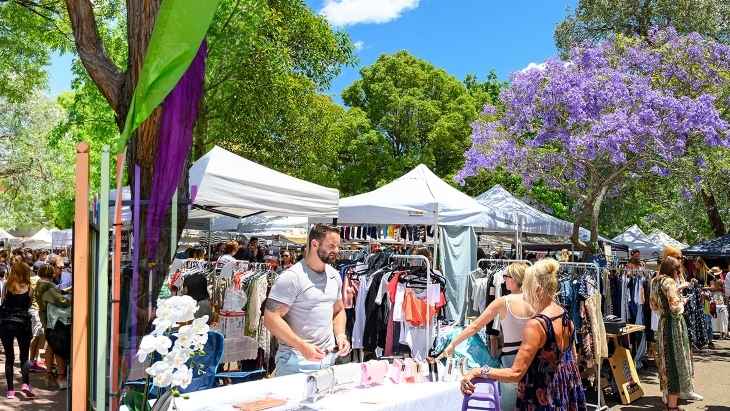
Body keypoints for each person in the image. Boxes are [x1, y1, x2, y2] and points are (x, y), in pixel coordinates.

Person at [460, 259, 587, 411]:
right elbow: (572, 360)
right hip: (563, 393)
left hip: (542, 397)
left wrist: (479, 371)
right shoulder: (564, 315)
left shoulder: (536, 325)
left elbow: (516, 373)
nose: (524, 292)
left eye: (526, 286)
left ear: (537, 289)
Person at [438, 263, 532, 411]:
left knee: (507, 405)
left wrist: (453, 344)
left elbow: (476, 325)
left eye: (506, 276)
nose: (503, 280)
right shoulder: (535, 301)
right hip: (532, 357)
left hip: (510, 360)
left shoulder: (503, 302)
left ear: (513, 280)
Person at [263, 223, 349, 377]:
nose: (336, 250)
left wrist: (341, 336)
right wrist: (302, 346)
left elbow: (338, 310)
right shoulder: (292, 277)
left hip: (327, 361)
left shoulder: (334, 275)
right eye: (331, 246)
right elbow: (271, 319)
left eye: (338, 246)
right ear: (314, 244)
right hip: (295, 363)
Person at [650, 256, 703, 408]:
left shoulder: (655, 281)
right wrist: (683, 302)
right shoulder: (669, 282)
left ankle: (670, 404)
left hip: (663, 324)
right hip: (674, 325)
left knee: (665, 364)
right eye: (677, 268)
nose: (678, 271)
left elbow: (653, 305)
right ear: (671, 268)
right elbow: (675, 308)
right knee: (675, 364)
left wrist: (663, 312)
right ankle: (672, 407)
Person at [0, 262, 36, 399]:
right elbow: (28, 306)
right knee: (24, 356)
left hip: (7, 323)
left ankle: (10, 390)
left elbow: (3, 302)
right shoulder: (30, 288)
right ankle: (25, 384)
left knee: (9, 357)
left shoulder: (7, 286)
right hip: (23, 324)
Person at [35, 264, 72, 389]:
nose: (59, 271)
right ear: (51, 272)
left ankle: (49, 374)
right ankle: (61, 377)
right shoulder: (48, 285)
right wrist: (72, 297)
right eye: (57, 269)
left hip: (47, 318)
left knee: (51, 347)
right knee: (60, 347)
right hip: (57, 320)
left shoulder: (40, 284)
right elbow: (61, 301)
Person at [27, 264, 45, 373]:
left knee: (36, 335)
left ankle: (35, 360)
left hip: (31, 309)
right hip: (37, 310)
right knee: (35, 336)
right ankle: (32, 362)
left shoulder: (28, 279)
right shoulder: (40, 281)